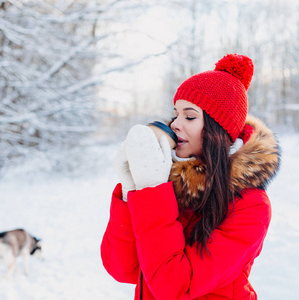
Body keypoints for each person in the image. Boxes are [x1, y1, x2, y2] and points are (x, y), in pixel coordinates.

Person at [101, 54, 281, 299]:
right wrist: (129, 190)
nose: (175, 123)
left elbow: (175, 287)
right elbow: (124, 270)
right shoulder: (168, 183)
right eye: (175, 114)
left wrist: (152, 193)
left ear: (219, 130)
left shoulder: (251, 206)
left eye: (190, 116)